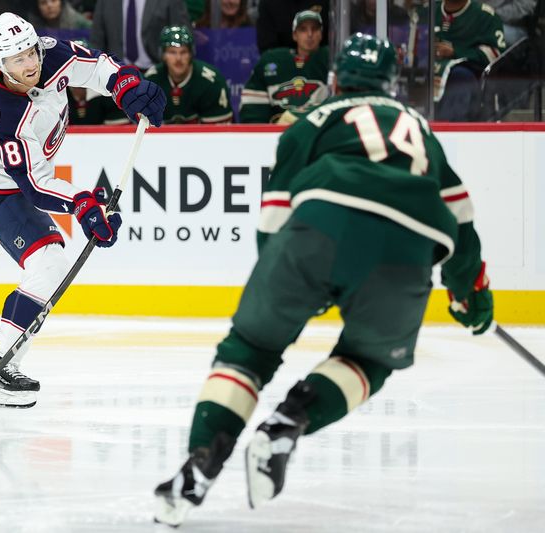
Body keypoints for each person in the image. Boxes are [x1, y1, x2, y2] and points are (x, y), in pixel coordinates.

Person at [154, 33, 494, 527]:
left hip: (321, 228)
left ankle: (197, 469)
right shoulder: (419, 128)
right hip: (410, 246)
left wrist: (287, 283)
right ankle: (290, 420)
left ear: (334, 81)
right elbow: (461, 219)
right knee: (370, 358)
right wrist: (471, 296)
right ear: (393, 86)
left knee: (249, 349)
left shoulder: (309, 122)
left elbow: (273, 216)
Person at [0, 12, 165, 408]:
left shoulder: (49, 53)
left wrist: (125, 85)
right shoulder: (1, 109)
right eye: (18, 59)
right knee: (48, 259)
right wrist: (85, 206)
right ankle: (0, 364)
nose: (31, 63)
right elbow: (35, 186)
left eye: (31, 51)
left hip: (4, 171)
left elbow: (97, 68)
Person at [240, 10, 329, 123]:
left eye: (315, 29)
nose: (310, 34)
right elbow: (252, 110)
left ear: (321, 34)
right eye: (303, 29)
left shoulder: (330, 60)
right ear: (294, 35)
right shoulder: (271, 60)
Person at [434, 0, 506, 121]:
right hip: (426, 69)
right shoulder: (428, 11)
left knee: (461, 77)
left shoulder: (485, 15)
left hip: (465, 73)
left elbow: (495, 54)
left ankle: (451, 132)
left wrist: (456, 52)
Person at [144, 25, 232, 123]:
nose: (178, 58)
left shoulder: (212, 82)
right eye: (172, 52)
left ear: (191, 54)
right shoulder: (150, 82)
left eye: (183, 52)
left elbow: (219, 133)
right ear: (163, 55)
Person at [90, 0, 190, 71]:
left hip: (157, 70)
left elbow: (182, 34)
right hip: (116, 72)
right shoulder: (105, 2)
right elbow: (97, 40)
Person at [256, 0, 328, 53]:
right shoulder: (268, 4)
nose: (309, 34)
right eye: (303, 29)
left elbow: (330, 40)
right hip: (282, 65)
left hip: (319, 61)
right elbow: (267, 49)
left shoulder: (324, 2)